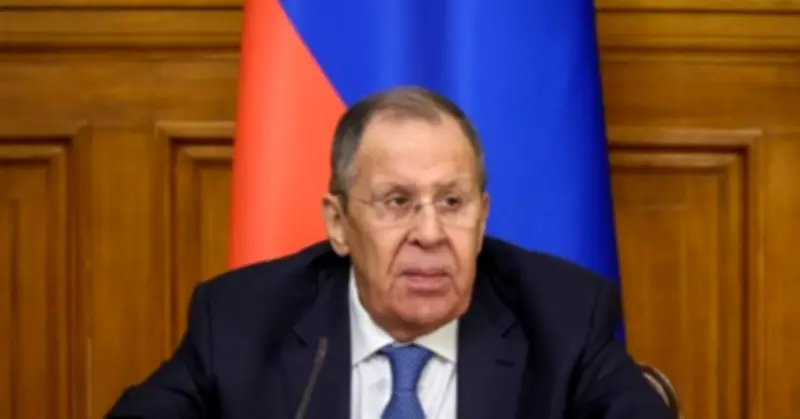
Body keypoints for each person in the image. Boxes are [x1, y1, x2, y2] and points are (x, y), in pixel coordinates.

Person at [106, 86, 672, 419]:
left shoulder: (564, 316)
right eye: (397, 202)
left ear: (482, 220)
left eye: (452, 202)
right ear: (339, 224)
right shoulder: (241, 319)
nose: (430, 232)